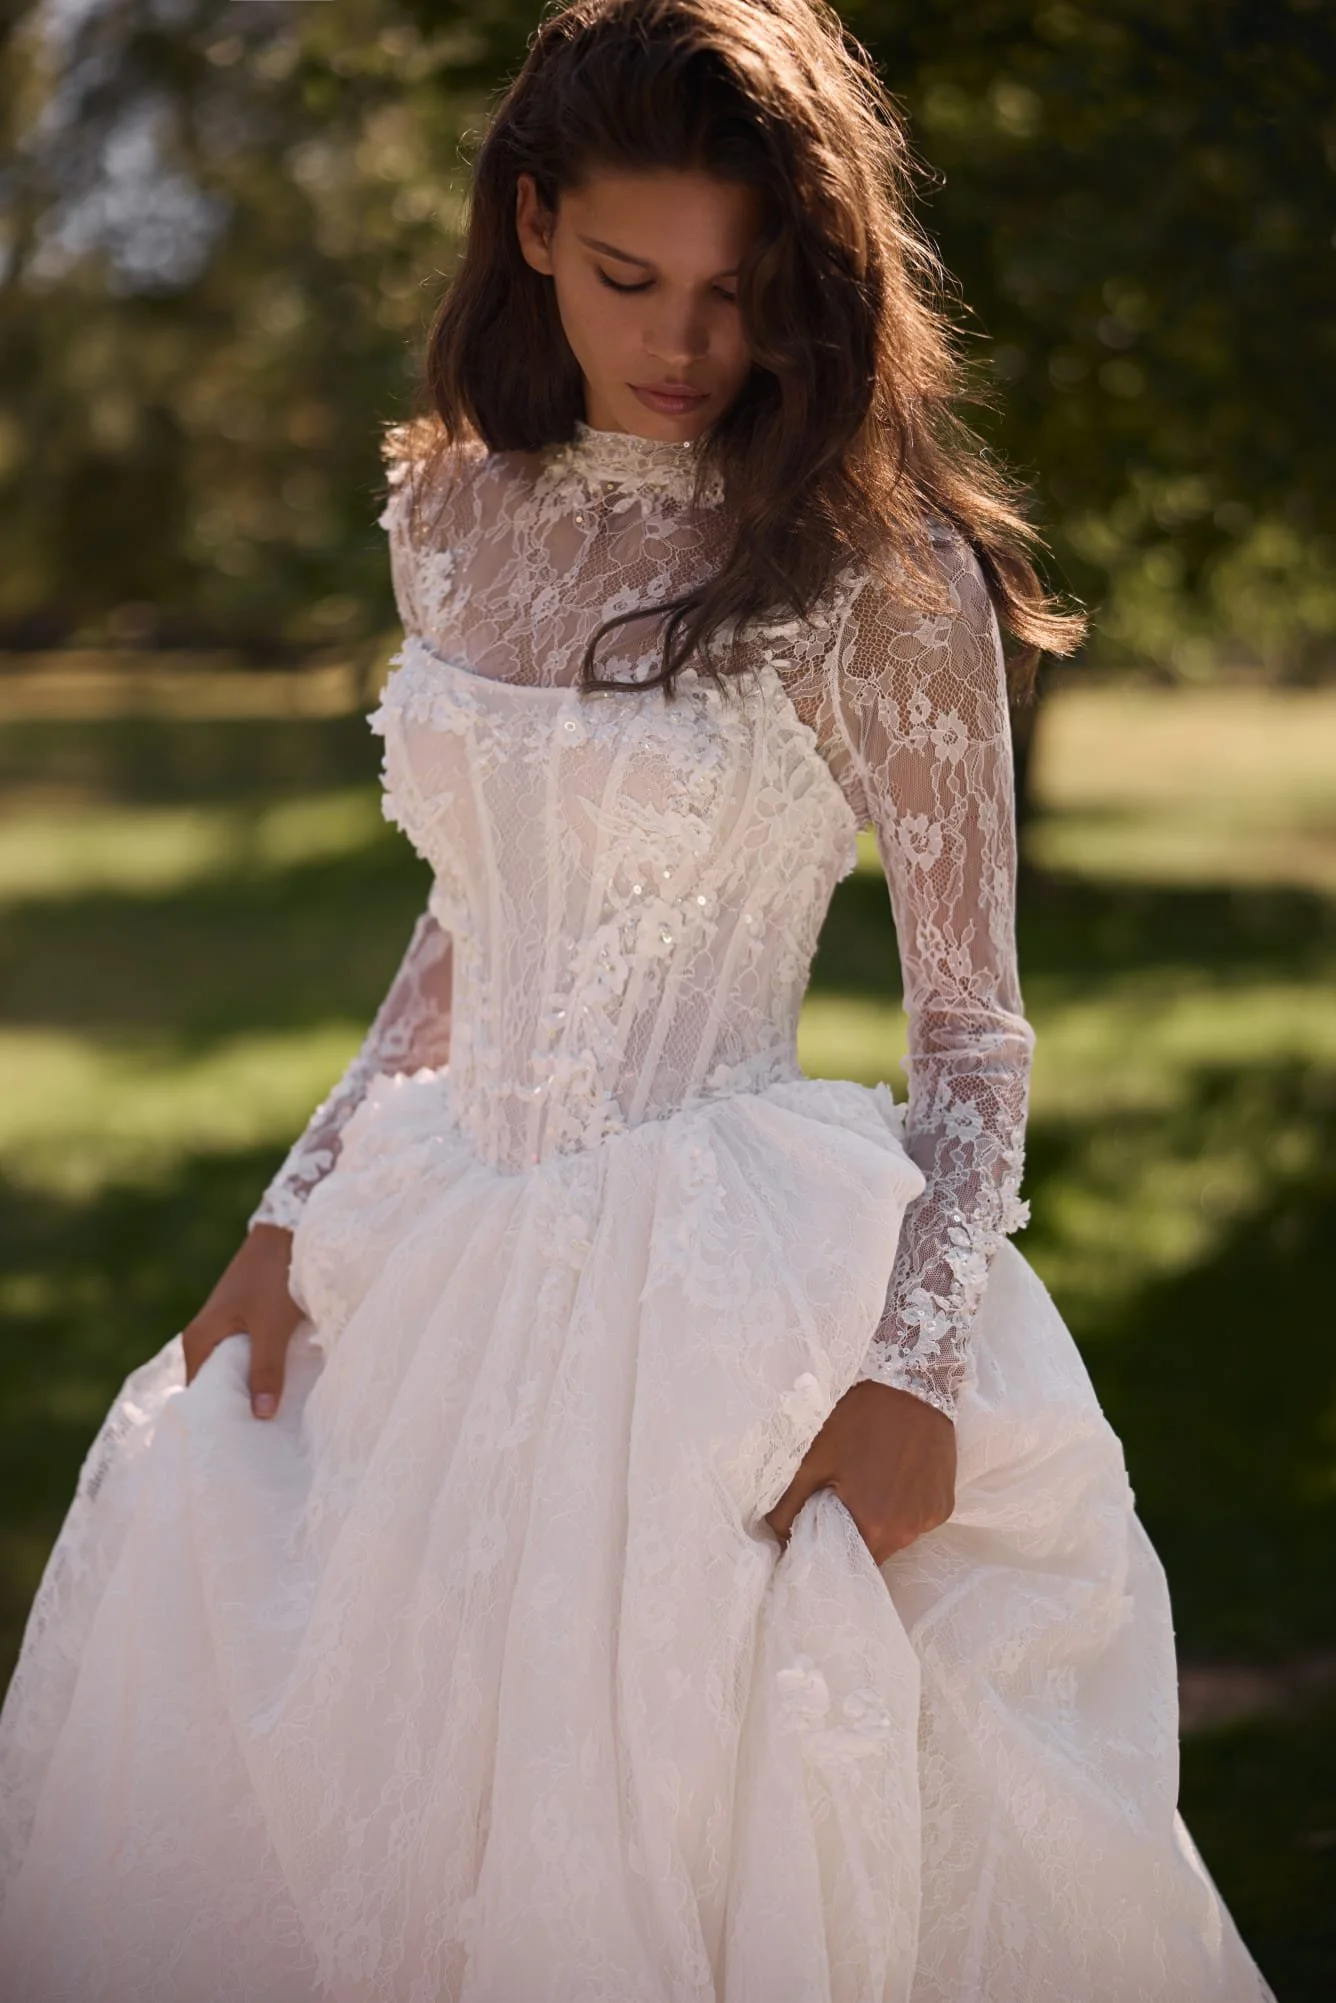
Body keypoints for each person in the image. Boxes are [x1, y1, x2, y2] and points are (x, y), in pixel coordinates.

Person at [0, 2, 1274, 1997]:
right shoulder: (450, 515)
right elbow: (471, 916)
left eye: (736, 291)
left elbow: (971, 1032)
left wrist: (917, 1369)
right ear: (531, 227)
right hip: (440, 1246)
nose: (683, 341)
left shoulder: (875, 579)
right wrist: (286, 1209)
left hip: (721, 1298)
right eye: (627, 277)